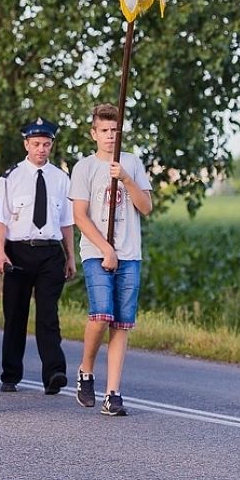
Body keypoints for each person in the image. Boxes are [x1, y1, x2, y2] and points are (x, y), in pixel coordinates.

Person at [69, 103, 153, 417]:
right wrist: (105, 248)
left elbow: (146, 207)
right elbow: (80, 215)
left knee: (121, 323)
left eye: (114, 130)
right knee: (102, 314)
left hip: (129, 253)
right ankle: (86, 369)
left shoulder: (132, 162)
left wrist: (127, 179)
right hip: (97, 251)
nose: (109, 136)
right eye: (104, 130)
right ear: (94, 133)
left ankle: (112, 393)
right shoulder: (85, 167)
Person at [0, 117, 75, 394]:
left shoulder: (61, 179)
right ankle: (10, 374)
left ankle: (54, 373)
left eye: (46, 144)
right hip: (18, 252)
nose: (41, 149)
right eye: (36, 144)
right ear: (26, 144)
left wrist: (70, 257)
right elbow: (0, 220)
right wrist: (0, 252)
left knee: (48, 314)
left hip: (50, 252)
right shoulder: (11, 177)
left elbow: (66, 222)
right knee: (15, 314)